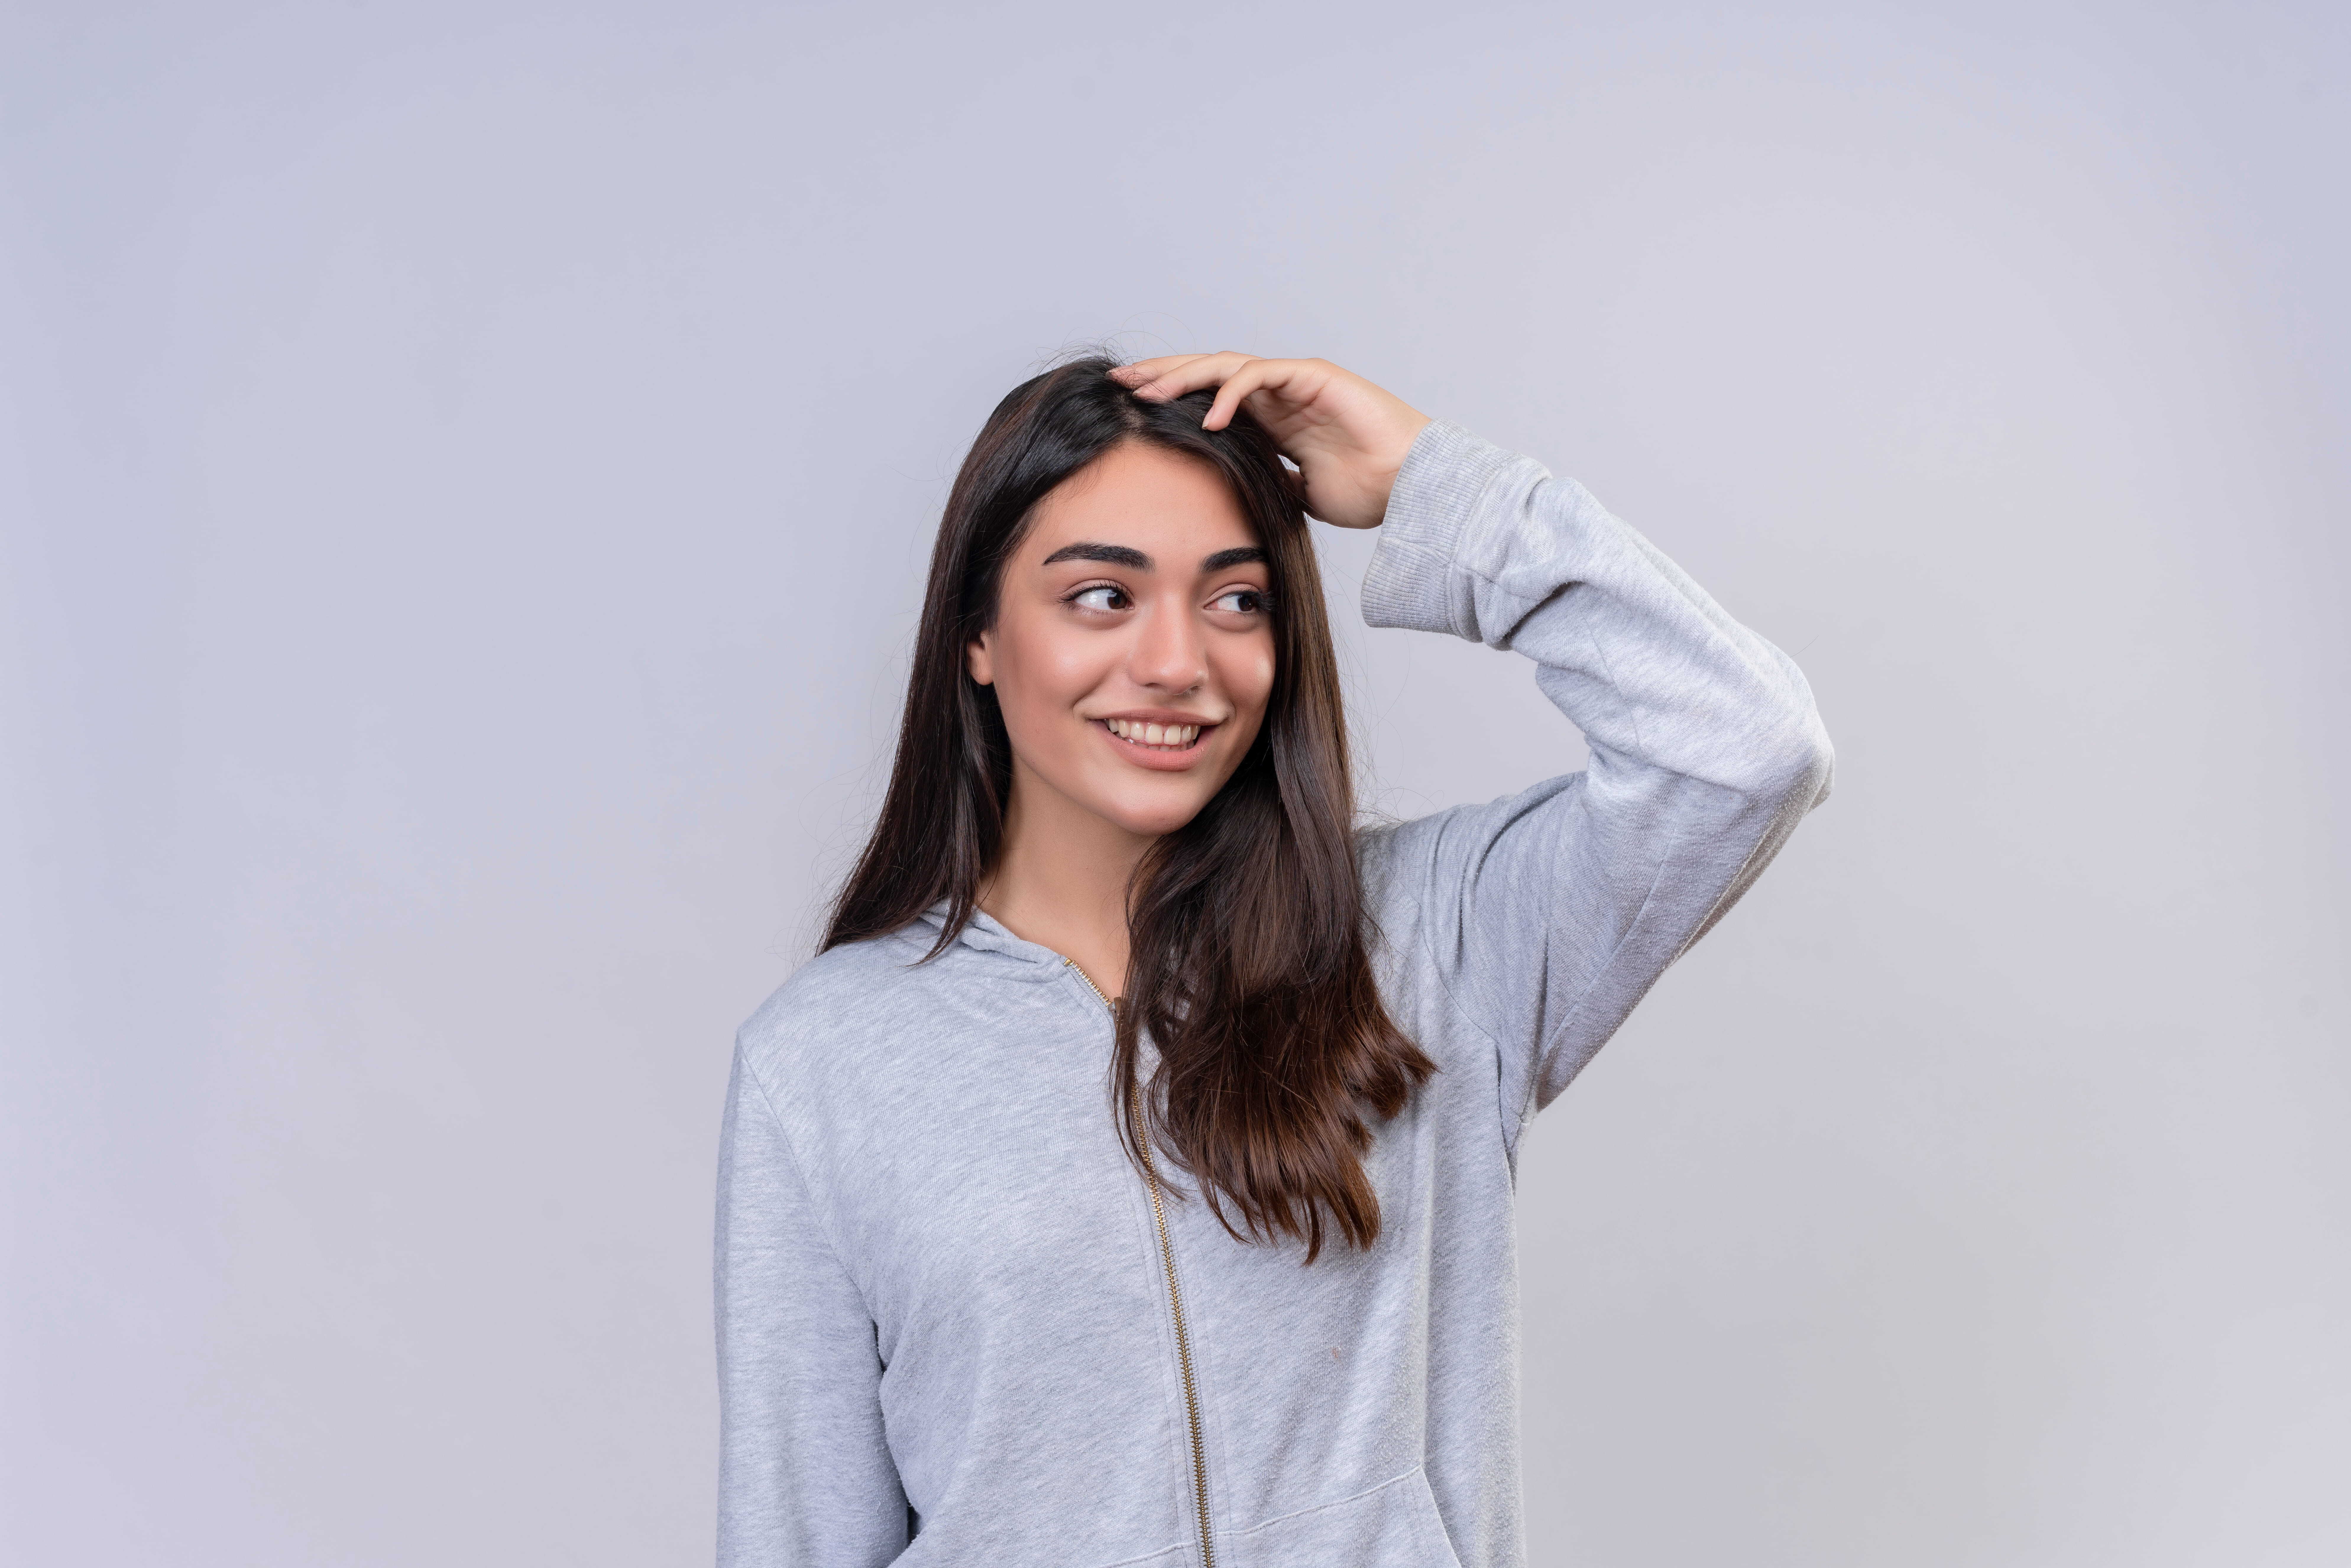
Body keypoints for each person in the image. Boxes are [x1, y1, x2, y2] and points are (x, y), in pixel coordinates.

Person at [715, 351, 1834, 1567]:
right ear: (977, 637)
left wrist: (1432, 486)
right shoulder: (822, 1061)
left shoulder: (1438, 940)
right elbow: (796, 1536)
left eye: (1236, 600)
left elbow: (1747, 745)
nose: (1176, 663)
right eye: (1103, 595)